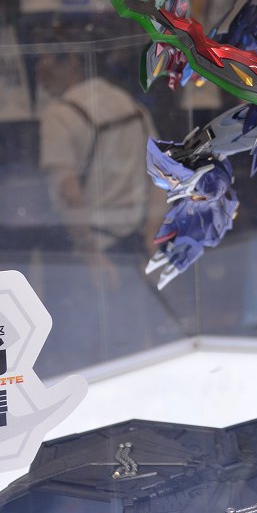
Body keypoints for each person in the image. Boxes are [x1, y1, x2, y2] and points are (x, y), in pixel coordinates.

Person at [34, 33, 169, 368]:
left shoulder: (59, 115)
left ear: (72, 62)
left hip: (86, 253)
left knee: (80, 360)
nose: (39, 72)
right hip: (133, 248)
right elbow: (160, 176)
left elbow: (68, 192)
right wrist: (151, 235)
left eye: (46, 61)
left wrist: (90, 252)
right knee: (132, 349)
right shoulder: (130, 106)